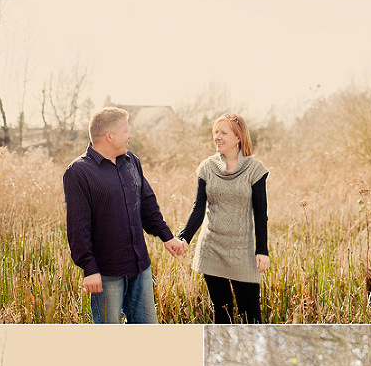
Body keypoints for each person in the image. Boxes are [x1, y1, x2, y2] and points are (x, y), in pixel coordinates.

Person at [64, 107, 187, 324]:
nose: (130, 135)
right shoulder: (78, 172)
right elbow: (78, 227)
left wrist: (167, 237)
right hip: (106, 273)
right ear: (109, 136)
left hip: (140, 267)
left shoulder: (131, 161)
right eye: (126, 131)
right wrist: (89, 268)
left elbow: (148, 204)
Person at [178, 112, 269, 323]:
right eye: (215, 132)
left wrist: (262, 251)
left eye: (223, 132)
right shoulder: (206, 168)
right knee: (222, 312)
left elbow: (261, 214)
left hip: (242, 251)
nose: (217, 137)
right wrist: (184, 238)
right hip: (212, 248)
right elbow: (198, 209)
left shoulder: (255, 170)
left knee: (251, 315)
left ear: (238, 137)